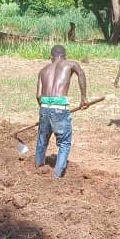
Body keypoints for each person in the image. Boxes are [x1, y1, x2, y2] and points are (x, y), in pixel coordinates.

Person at [35, 45, 88, 179]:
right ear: (64, 55)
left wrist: (45, 111)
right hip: (60, 109)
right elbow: (81, 73)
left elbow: (38, 96)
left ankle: (38, 167)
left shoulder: (43, 70)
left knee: (42, 140)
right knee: (64, 142)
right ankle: (57, 176)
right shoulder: (70, 64)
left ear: (51, 57)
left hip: (44, 107)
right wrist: (83, 98)